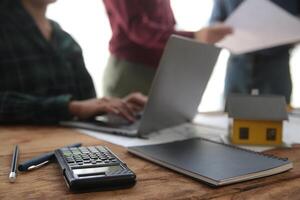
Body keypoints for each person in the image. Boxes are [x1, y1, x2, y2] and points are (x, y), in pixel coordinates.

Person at [0, 0, 147, 124]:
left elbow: (87, 103)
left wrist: (115, 108)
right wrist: (71, 108)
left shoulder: (65, 40)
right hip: (20, 148)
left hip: (70, 145)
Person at [102, 0, 232, 98]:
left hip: (161, 68)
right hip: (131, 71)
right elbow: (138, 28)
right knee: (125, 130)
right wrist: (194, 36)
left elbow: (165, 21)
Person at [210, 0, 300, 104]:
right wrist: (216, 29)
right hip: (238, 64)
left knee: (275, 116)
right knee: (233, 116)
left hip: (276, 64)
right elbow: (214, 21)